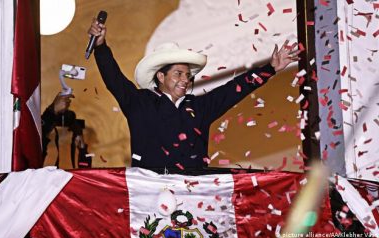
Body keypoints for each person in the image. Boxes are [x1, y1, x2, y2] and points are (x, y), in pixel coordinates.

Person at [88, 18, 300, 172]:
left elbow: (233, 90)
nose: (185, 80)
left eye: (188, 75)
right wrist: (101, 47)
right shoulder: (140, 102)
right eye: (178, 74)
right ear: (160, 76)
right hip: (148, 195)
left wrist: (270, 69)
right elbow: (114, 79)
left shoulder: (199, 107)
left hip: (193, 195)